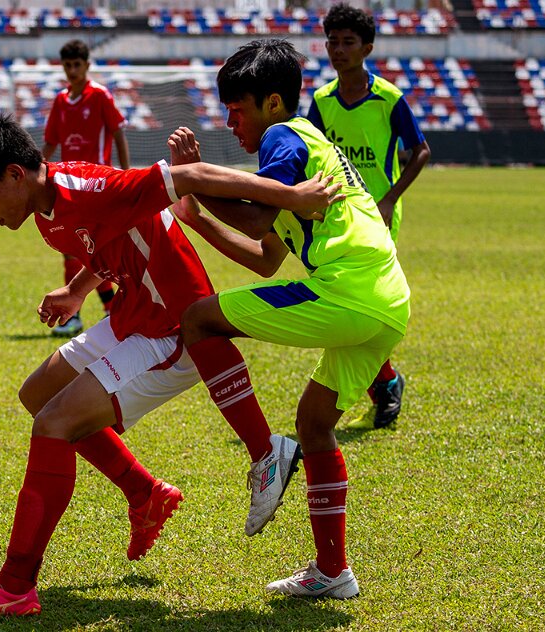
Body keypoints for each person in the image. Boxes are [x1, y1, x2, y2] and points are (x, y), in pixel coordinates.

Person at [0, 111, 343, 621]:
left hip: (170, 330)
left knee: (54, 424)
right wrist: (76, 290)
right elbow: (108, 235)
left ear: (15, 174)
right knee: (37, 395)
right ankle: (144, 494)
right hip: (133, 314)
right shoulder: (46, 211)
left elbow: (191, 176)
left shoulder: (87, 187)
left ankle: (16, 585)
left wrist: (292, 196)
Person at [171, 38, 410, 599]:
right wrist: (196, 217)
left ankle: (265, 457)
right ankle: (333, 573)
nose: (230, 123)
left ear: (273, 103)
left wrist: (192, 177)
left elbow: (257, 218)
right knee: (315, 423)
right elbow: (264, 255)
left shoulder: (283, 137)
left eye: (238, 110)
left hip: (349, 291)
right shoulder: (310, 148)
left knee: (198, 319)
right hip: (389, 301)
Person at [306, 2, 430, 429]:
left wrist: (390, 199)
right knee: (347, 302)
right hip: (336, 214)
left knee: (360, 301)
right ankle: (386, 381)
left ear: (367, 49)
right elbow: (310, 150)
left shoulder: (389, 99)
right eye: (333, 42)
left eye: (348, 42)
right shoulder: (321, 100)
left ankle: (385, 383)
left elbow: (420, 151)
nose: (338, 50)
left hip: (378, 215)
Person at [41, 39, 131, 337]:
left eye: (77, 64)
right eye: (67, 65)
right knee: (73, 249)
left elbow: (118, 133)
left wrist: (125, 173)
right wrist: (36, 169)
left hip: (98, 185)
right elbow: (51, 141)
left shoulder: (100, 96)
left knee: (100, 250)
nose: (72, 70)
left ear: (87, 65)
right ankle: (88, 314)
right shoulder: (60, 101)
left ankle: (111, 310)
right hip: (68, 187)